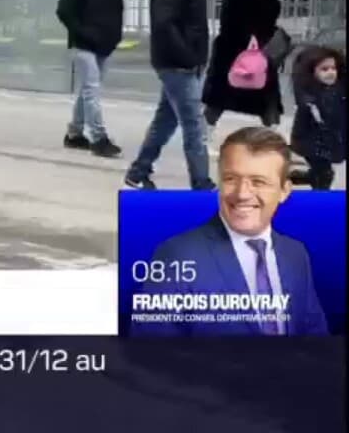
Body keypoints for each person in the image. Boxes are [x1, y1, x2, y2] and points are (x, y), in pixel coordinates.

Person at [130, 127, 328, 337]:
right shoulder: (177, 255)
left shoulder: (295, 254)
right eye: (231, 179)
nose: (242, 194)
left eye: (258, 182)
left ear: (284, 191)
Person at [124, 0, 215, 190]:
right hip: (178, 64)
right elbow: (164, 21)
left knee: (165, 121)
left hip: (181, 62)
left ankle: (138, 172)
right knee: (194, 127)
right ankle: (202, 184)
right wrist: (187, 57)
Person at [202, 0, 284, 150]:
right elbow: (235, 19)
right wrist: (250, 39)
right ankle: (203, 134)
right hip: (240, 49)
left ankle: (274, 136)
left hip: (259, 48)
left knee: (266, 94)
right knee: (222, 96)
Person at [57, 0, 125, 158]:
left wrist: (115, 37)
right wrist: (83, 33)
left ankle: (75, 134)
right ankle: (98, 138)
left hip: (104, 46)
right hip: (83, 45)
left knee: (87, 90)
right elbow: (64, 11)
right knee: (92, 90)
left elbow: (117, 13)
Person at [290, 46, 346, 189]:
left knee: (321, 173)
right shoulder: (310, 97)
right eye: (324, 69)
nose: (330, 73)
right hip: (312, 144)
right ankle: (318, 200)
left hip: (329, 142)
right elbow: (304, 123)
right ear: (312, 72)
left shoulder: (338, 89)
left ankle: (299, 177)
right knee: (325, 175)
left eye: (333, 69)